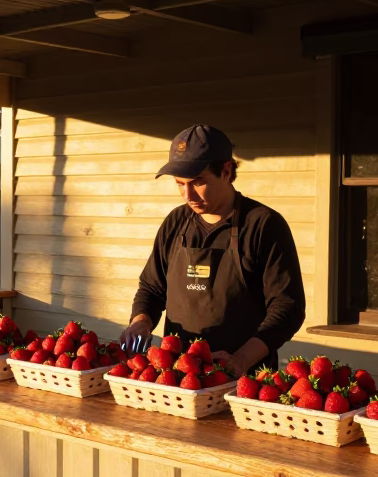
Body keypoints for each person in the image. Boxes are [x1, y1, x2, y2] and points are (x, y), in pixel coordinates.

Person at [119, 124, 307, 375]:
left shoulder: (263, 225)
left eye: (198, 182)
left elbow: (288, 309)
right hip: (178, 378)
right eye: (179, 183)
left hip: (245, 381)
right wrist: (140, 322)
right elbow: (152, 289)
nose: (187, 194)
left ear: (226, 171)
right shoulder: (175, 223)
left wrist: (240, 360)